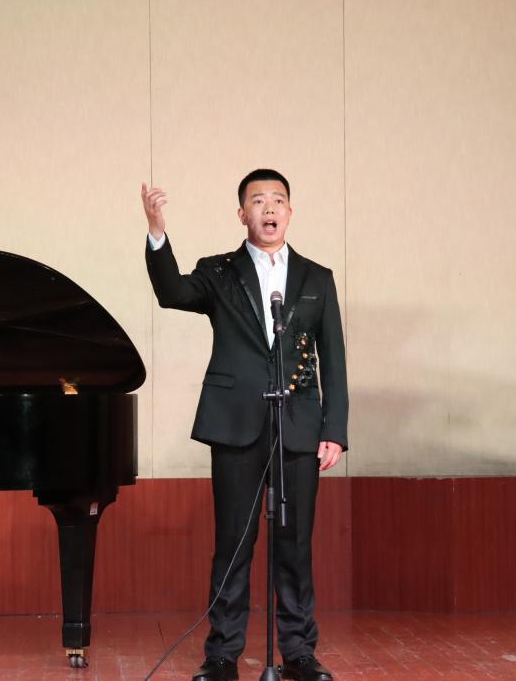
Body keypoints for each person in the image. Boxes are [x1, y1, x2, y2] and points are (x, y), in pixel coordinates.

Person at [141, 168, 348, 681]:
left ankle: (298, 652)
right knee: (234, 542)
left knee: (295, 545)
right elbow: (171, 291)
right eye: (258, 200)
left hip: (299, 426)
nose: (269, 208)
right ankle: (222, 654)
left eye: (278, 200)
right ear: (242, 214)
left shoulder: (317, 278)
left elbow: (334, 360)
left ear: (290, 213)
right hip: (235, 423)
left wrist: (335, 430)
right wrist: (157, 230)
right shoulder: (219, 272)